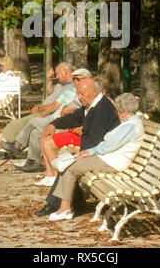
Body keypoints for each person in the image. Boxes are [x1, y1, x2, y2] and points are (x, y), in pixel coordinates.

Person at [47, 93, 144, 221]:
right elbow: (109, 142)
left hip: (112, 161)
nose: (116, 113)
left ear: (125, 111)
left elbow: (109, 146)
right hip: (108, 157)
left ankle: (65, 208)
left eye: (117, 110)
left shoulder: (130, 126)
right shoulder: (129, 122)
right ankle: (64, 206)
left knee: (71, 167)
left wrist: (89, 152)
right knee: (69, 162)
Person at [35, 77, 120, 217]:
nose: (79, 97)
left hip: (105, 156)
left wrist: (78, 154)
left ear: (95, 91)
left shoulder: (102, 108)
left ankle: (54, 204)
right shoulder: (91, 105)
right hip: (94, 151)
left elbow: (95, 140)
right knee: (67, 162)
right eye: (78, 94)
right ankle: (78, 204)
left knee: (68, 165)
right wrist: (54, 124)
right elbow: (74, 117)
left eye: (82, 94)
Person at [0, 63, 81, 162]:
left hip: (48, 115)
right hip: (44, 113)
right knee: (14, 126)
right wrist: (49, 79)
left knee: (15, 126)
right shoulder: (62, 85)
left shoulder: (71, 88)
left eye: (57, 73)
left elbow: (55, 106)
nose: (56, 75)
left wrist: (41, 109)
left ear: (66, 72)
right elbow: (50, 92)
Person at [2, 62, 80, 173]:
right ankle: (33, 162)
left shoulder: (78, 92)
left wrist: (43, 111)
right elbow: (55, 104)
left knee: (34, 121)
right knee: (36, 131)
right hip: (53, 117)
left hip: (63, 122)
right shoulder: (67, 89)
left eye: (78, 79)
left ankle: (17, 145)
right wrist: (43, 113)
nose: (56, 77)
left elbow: (71, 109)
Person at [36, 68, 93, 186]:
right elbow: (65, 112)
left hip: (82, 135)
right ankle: (50, 174)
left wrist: (73, 124)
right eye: (74, 79)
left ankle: (57, 178)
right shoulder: (76, 94)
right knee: (44, 136)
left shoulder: (88, 94)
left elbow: (72, 114)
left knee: (47, 143)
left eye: (79, 79)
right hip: (72, 128)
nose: (76, 81)